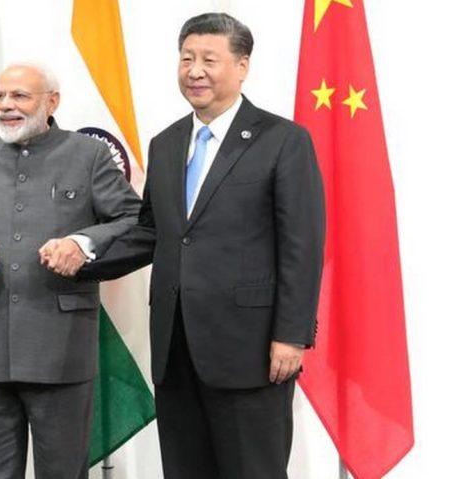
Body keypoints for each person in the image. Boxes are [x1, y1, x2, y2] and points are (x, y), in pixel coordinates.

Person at [75, 13, 325, 479]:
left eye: (210, 59)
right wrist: (83, 251)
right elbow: (152, 232)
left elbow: (302, 245)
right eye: (187, 58)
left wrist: (291, 334)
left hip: (251, 349)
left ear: (242, 66)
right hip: (176, 346)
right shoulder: (166, 143)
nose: (195, 70)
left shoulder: (283, 140)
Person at [0, 63, 140, 479]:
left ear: (51, 102)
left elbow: (133, 220)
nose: (6, 106)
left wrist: (82, 244)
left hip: (60, 351)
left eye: (20, 96)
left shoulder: (90, 155)